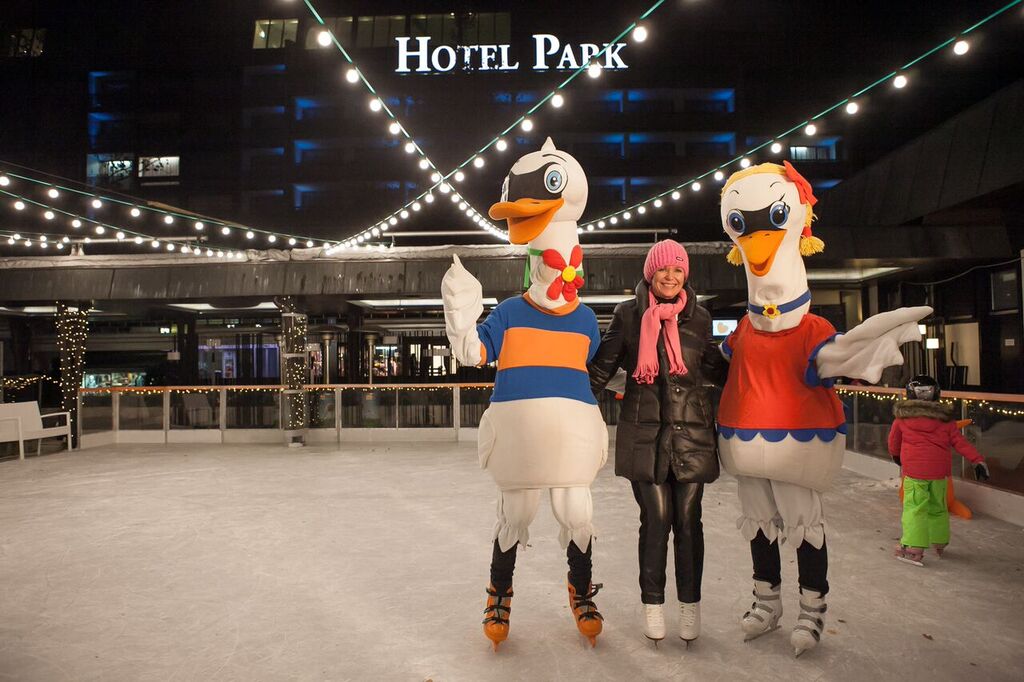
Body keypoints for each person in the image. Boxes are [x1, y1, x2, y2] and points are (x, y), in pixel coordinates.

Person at [588, 239, 727, 645]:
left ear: (685, 275)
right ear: (651, 273)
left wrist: (748, 356)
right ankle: (653, 604)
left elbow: (715, 369)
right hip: (644, 435)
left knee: (688, 521)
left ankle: (689, 604)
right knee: (657, 518)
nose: (670, 276)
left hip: (692, 435)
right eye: (664, 269)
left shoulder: (700, 317)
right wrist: (567, 403)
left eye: (678, 269)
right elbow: (601, 369)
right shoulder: (628, 315)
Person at [888, 375, 990, 566]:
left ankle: (914, 548)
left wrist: (896, 456)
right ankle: (940, 541)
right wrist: (977, 460)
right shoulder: (946, 421)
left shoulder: (902, 420)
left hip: (915, 473)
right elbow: (960, 443)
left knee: (915, 509)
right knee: (938, 507)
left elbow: (893, 443)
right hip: (940, 474)